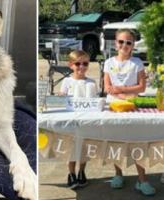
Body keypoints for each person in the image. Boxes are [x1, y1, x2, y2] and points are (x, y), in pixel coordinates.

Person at [104, 28, 156, 196]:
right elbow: (107, 87)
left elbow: (141, 86)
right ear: (115, 43)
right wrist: (120, 93)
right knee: (116, 140)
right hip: (114, 106)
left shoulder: (137, 62)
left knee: (136, 140)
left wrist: (122, 89)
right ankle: (118, 174)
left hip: (132, 105)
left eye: (128, 43)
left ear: (133, 45)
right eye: (121, 42)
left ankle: (142, 179)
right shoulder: (109, 63)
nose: (124, 45)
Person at [59, 50, 97, 189]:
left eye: (85, 64)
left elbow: (94, 101)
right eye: (78, 64)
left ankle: (82, 171)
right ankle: (71, 173)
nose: (81, 67)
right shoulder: (66, 81)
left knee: (84, 149)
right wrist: (61, 97)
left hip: (86, 120)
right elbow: (62, 99)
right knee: (71, 148)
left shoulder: (91, 82)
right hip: (71, 120)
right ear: (71, 65)